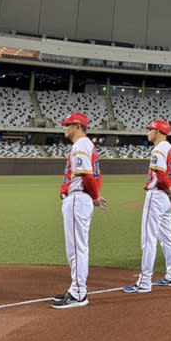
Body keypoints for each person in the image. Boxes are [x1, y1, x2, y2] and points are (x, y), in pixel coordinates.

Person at [52, 113, 107, 309]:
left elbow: (87, 176)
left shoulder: (81, 144)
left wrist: (95, 197)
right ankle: (76, 289)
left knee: (76, 248)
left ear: (77, 125)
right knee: (76, 248)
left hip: (79, 198)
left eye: (67, 124)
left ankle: (78, 293)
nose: (65, 128)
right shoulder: (85, 145)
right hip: (80, 198)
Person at [124, 120, 171, 293]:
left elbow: (161, 176)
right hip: (166, 198)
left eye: (150, 130)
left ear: (158, 131)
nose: (148, 132)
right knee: (167, 238)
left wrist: (170, 192)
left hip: (157, 195)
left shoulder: (158, 149)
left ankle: (144, 282)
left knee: (148, 239)